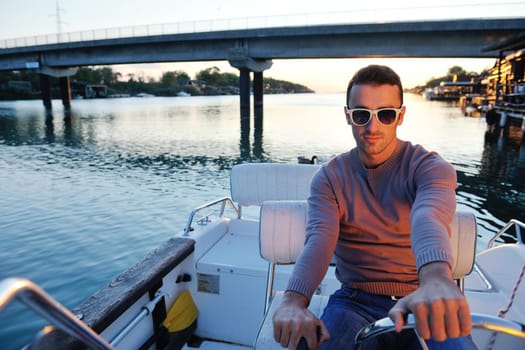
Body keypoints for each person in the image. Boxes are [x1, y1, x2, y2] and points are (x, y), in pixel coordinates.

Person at [272, 65, 477, 350]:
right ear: (348, 116)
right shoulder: (329, 177)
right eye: (361, 115)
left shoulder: (429, 167)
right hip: (355, 302)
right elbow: (319, 239)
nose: (372, 127)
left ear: (400, 116)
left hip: (423, 295)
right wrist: (293, 301)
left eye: (386, 114)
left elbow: (428, 216)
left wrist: (436, 279)